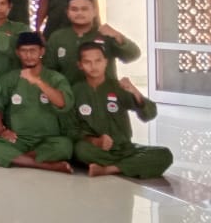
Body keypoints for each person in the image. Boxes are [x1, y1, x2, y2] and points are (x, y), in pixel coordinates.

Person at [71, 42, 173, 178]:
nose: (93, 66)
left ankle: (108, 169)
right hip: (97, 149)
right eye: (87, 62)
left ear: (106, 62)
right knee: (80, 150)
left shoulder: (118, 87)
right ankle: (130, 166)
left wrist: (135, 92)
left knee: (164, 154)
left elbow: (149, 115)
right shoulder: (75, 91)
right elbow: (71, 129)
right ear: (80, 65)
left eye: (98, 61)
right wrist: (95, 141)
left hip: (125, 149)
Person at [0, 32, 74, 173]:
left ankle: (17, 159)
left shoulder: (55, 78)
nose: (28, 55)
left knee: (65, 146)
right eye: (24, 51)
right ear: (17, 53)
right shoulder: (10, 78)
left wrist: (38, 82)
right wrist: (1, 130)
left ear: (41, 51)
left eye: (33, 50)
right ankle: (45, 165)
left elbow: (63, 103)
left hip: (48, 139)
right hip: (18, 139)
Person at [44, 0, 140, 85]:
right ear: (67, 13)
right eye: (74, 9)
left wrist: (118, 36)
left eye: (84, 9)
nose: (79, 13)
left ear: (95, 11)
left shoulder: (106, 35)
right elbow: (49, 70)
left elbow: (133, 56)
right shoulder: (57, 37)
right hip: (69, 93)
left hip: (103, 93)